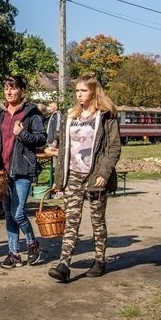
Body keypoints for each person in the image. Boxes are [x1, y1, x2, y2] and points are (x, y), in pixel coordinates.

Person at [48, 74, 121, 283]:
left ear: (93, 92)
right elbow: (63, 147)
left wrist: (103, 174)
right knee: (71, 220)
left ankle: (99, 260)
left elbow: (114, 148)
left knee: (97, 219)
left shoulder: (106, 116)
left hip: (95, 176)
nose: (79, 95)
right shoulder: (71, 116)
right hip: (72, 175)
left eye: (83, 91)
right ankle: (64, 264)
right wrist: (59, 177)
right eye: (77, 91)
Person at [0, 76, 48, 268]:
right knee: (8, 213)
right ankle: (14, 254)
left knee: (18, 213)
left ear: (22, 90)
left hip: (22, 169)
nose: (9, 92)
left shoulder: (31, 113)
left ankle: (32, 244)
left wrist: (22, 134)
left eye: (13, 88)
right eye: (6, 88)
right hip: (3, 169)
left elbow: (41, 138)